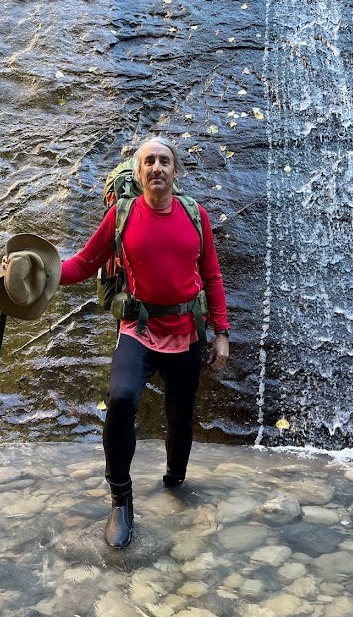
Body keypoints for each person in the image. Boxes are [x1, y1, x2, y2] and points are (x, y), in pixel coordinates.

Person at [59, 135, 230, 548]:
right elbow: (83, 263)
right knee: (121, 400)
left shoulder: (195, 216)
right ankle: (121, 500)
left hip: (186, 332)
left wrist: (222, 333)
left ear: (175, 171)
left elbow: (212, 275)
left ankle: (175, 480)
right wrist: (35, 271)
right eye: (149, 161)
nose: (157, 167)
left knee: (180, 417)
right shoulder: (121, 215)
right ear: (139, 172)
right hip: (138, 329)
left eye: (164, 161)